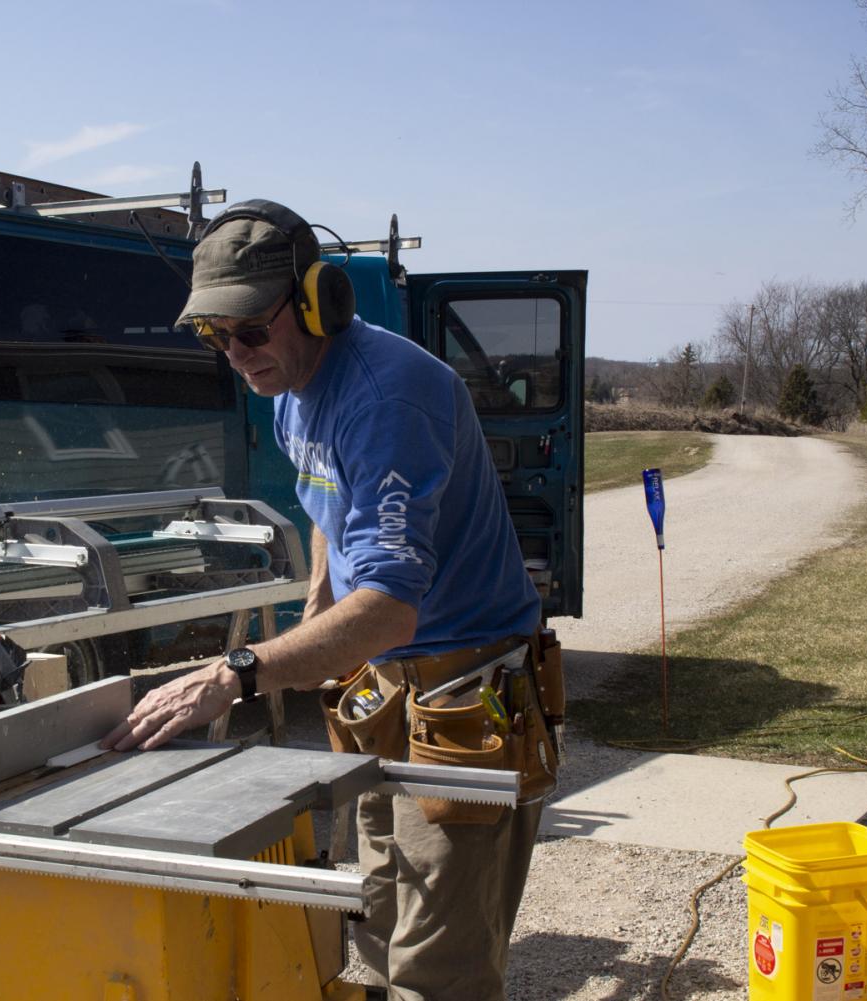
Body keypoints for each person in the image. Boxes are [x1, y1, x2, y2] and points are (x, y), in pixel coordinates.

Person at [101, 200, 545, 1001]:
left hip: (462, 688)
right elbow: (328, 517)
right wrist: (314, 624)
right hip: (385, 683)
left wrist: (236, 671)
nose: (235, 354)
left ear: (318, 301)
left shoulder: (386, 398)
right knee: (373, 914)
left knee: (435, 961)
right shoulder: (288, 389)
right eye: (214, 335)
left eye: (248, 329)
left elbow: (388, 606)